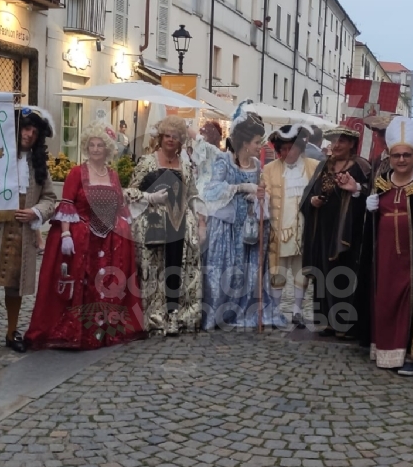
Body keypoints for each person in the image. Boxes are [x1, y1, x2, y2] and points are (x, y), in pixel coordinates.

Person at [25, 121, 145, 349]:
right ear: (86, 147)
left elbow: (119, 206)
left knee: (104, 284)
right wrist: (66, 236)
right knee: (81, 284)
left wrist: (120, 232)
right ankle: (77, 332)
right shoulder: (77, 173)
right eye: (92, 145)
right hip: (82, 237)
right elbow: (67, 205)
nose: (96, 149)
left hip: (109, 239)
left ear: (108, 149)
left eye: (100, 145)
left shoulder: (112, 174)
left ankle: (102, 331)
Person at [0, 107, 58, 356]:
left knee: (15, 284)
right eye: (26, 128)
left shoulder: (38, 166)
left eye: (35, 131)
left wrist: (35, 212)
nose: (30, 135)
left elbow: (50, 198)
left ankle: (12, 331)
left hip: (22, 233)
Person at [363, 117, 413, 376]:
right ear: (388, 156)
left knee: (412, 304)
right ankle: (385, 350)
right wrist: (367, 210)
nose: (401, 160)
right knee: (384, 301)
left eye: (406, 155)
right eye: (396, 155)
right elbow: (368, 228)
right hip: (385, 257)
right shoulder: (380, 184)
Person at [127, 115, 205, 335]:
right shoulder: (147, 162)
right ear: (160, 138)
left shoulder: (186, 166)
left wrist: (200, 223)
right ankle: (156, 316)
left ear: (181, 141)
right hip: (154, 224)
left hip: (181, 223)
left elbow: (192, 195)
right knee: (155, 270)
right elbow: (130, 192)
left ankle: (176, 315)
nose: (171, 140)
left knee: (177, 268)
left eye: (176, 137)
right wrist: (150, 198)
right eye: (167, 136)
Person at [202, 114, 276, 329]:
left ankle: (244, 310)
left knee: (247, 269)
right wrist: (241, 188)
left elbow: (260, 189)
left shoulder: (256, 165)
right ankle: (219, 312)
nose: (260, 146)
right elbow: (212, 190)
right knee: (224, 268)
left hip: (249, 228)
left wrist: (259, 195)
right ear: (244, 143)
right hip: (226, 227)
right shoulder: (224, 161)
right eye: (257, 142)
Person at [301, 125, 371, 339]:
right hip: (322, 228)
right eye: (334, 141)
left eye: (342, 141)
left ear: (351, 144)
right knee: (323, 273)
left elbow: (372, 194)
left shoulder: (361, 166)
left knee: (344, 274)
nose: (337, 145)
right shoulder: (324, 165)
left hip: (348, 231)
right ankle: (327, 321)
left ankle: (346, 323)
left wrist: (356, 189)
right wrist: (312, 201)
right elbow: (309, 193)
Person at [262, 124, 319, 327]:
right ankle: (276, 312)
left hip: (305, 228)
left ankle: (296, 310)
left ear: (300, 147)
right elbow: (265, 194)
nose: (287, 153)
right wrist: (261, 197)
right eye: (283, 149)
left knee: (301, 270)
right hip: (280, 228)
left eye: (291, 148)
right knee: (277, 270)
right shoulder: (269, 169)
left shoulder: (313, 166)